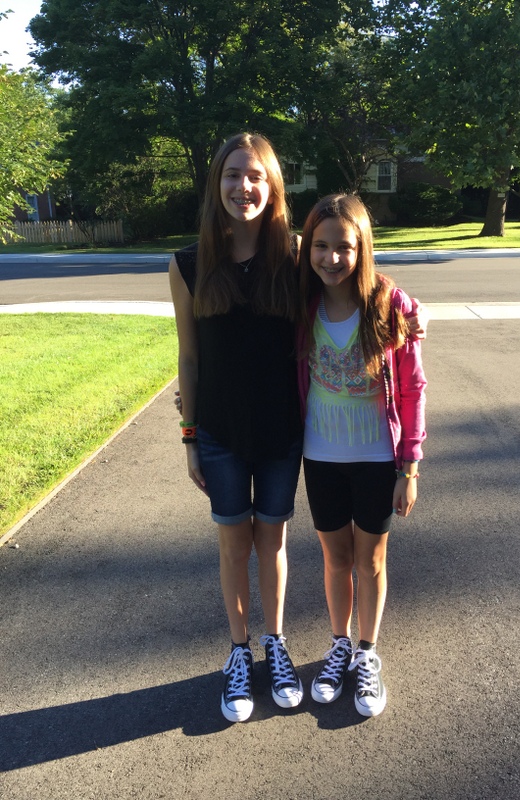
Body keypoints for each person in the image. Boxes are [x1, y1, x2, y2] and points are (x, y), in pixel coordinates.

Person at [169, 133, 305, 723]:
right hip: (220, 435)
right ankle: (239, 651)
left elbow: (353, 287)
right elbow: (189, 358)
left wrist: (403, 314)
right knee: (234, 545)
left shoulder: (295, 257)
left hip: (281, 432)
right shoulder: (187, 265)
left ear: (272, 186)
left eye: (254, 176)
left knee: (272, 542)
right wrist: (190, 437)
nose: (242, 186)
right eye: (231, 174)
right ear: (216, 183)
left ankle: (275, 644)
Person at [296, 193, 427, 717]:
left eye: (344, 247)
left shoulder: (390, 306)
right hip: (320, 455)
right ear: (306, 248)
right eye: (320, 246)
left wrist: (409, 466)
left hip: (377, 457)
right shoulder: (300, 304)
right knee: (336, 558)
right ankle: (340, 645)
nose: (331, 258)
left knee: (370, 560)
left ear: (362, 248)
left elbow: (413, 388)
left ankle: (367, 653)